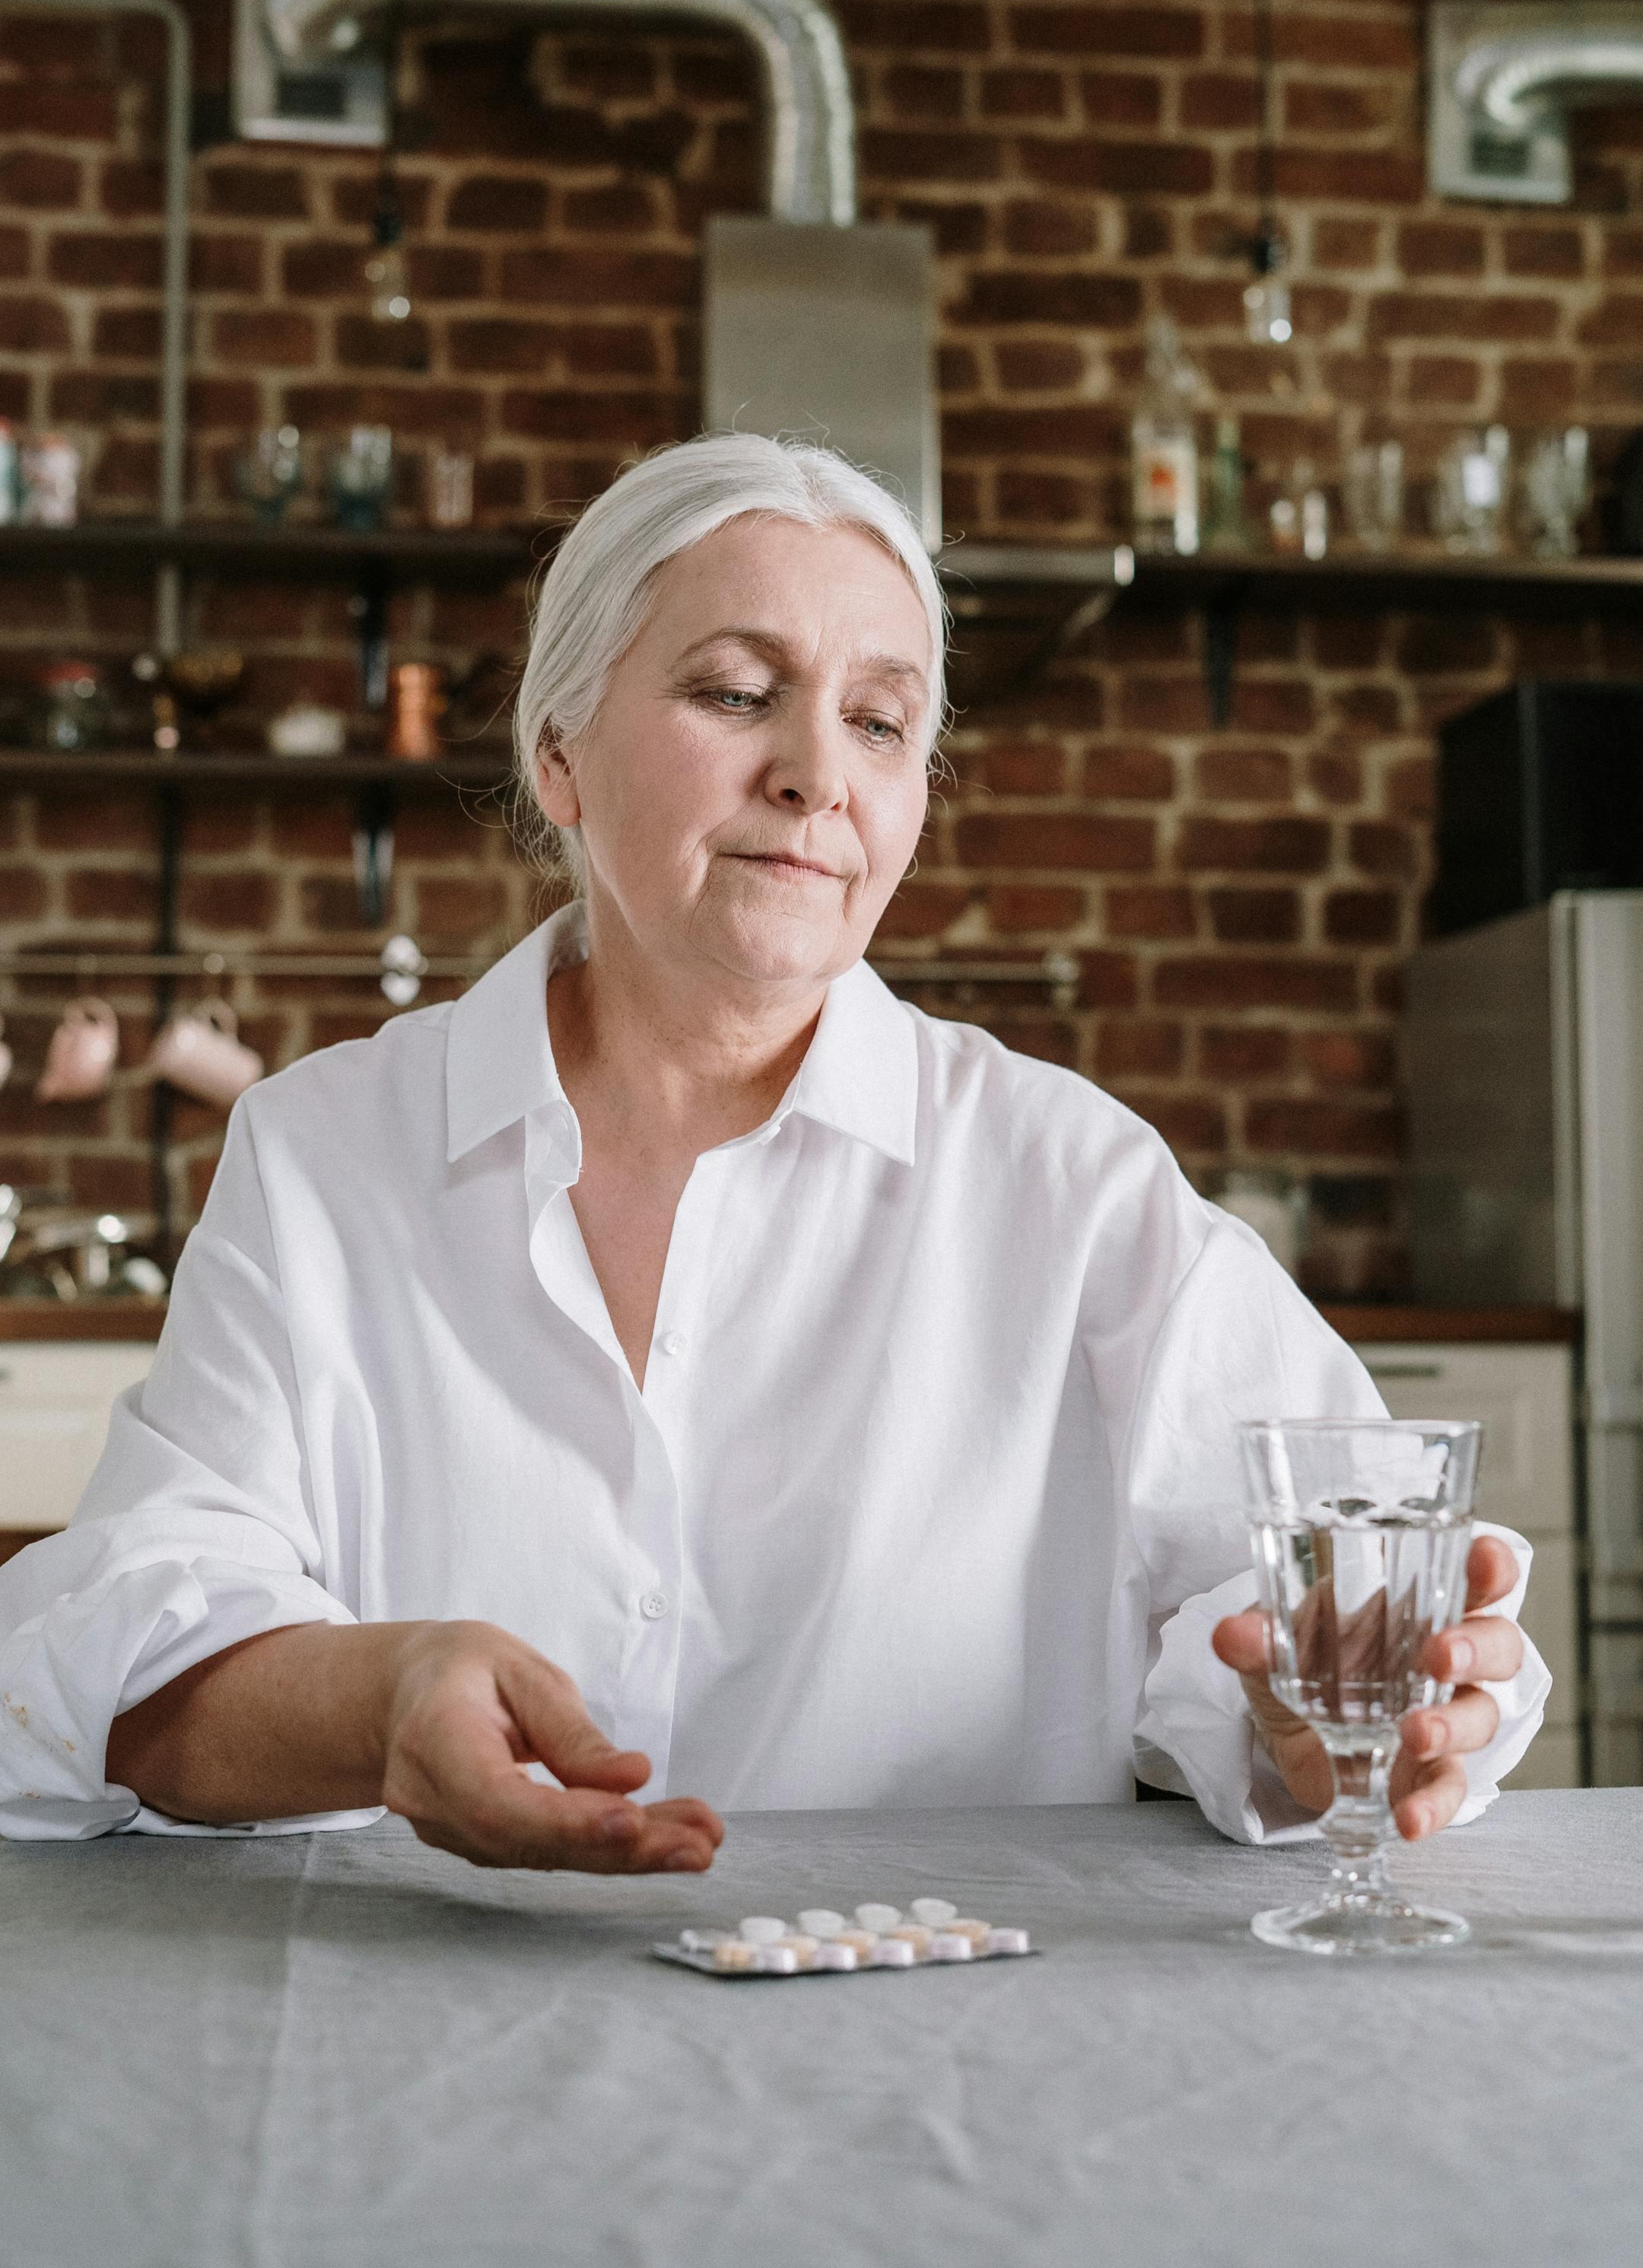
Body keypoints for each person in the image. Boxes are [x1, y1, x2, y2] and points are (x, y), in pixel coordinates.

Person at [0, 435, 1546, 1872]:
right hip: (429, 2050)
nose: (819, 770)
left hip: (945, 2054)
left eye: (881, 719)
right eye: (738, 693)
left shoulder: (1069, 1184)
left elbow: (1315, 1612)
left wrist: (1321, 1723)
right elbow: (116, 1657)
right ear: (560, 756)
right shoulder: (322, 1154)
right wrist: (376, 1705)